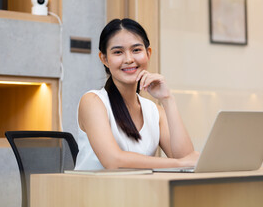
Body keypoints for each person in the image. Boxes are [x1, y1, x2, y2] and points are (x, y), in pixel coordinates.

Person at [75, 18, 199, 170]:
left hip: (136, 191)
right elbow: (113, 161)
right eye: (118, 52)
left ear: (148, 53)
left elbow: (187, 160)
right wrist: (180, 164)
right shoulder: (93, 101)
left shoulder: (154, 111)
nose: (129, 59)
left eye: (136, 50)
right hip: (93, 191)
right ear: (104, 59)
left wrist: (168, 99)